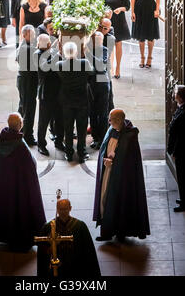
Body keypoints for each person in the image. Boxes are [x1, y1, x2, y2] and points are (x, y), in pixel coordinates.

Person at [0, 112, 46, 252]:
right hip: (21, 185)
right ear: (20, 125)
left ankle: (6, 234)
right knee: (20, 207)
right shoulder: (19, 144)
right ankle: (20, 235)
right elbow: (29, 165)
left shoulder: (3, 139)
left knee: (7, 206)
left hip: (4, 183)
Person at [93, 109, 150, 241]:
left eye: (111, 119)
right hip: (109, 172)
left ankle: (120, 231)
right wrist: (105, 159)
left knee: (121, 201)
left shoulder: (130, 135)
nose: (109, 121)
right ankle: (107, 231)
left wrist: (113, 162)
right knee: (105, 199)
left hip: (123, 178)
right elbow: (105, 148)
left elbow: (129, 160)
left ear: (119, 120)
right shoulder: (111, 129)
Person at [37, 199, 101, 277]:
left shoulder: (80, 226)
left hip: (76, 264)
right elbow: (42, 251)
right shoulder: (48, 227)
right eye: (60, 209)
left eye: (65, 209)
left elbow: (88, 250)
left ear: (70, 208)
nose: (63, 212)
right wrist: (50, 248)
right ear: (57, 210)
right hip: (57, 265)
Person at [56, 42, 94, 163]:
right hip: (82, 99)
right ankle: (82, 152)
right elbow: (92, 73)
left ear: (64, 53)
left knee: (68, 127)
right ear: (77, 52)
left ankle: (69, 153)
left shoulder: (60, 65)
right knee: (82, 128)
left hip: (67, 100)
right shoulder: (84, 63)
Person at [35, 34, 66, 156]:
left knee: (59, 119)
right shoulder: (37, 54)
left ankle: (59, 141)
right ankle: (41, 144)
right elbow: (46, 68)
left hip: (58, 92)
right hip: (46, 93)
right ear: (47, 44)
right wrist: (57, 54)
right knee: (43, 121)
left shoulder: (52, 52)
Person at [167, 85, 185, 212]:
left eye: (176, 93)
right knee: (183, 176)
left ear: (181, 97)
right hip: (182, 150)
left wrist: (174, 151)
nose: (174, 94)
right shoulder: (182, 108)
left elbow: (181, 136)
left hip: (184, 151)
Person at [131, 0, 160, 68]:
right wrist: (132, 12)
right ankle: (142, 57)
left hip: (150, 8)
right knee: (141, 36)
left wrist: (157, 10)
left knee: (151, 35)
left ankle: (149, 58)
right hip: (139, 9)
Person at [102, 0, 131, 79]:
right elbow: (102, 3)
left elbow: (127, 6)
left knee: (118, 44)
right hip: (108, 20)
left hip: (119, 21)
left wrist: (120, 9)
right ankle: (110, 68)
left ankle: (118, 68)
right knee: (109, 44)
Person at [86, 32, 111, 151]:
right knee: (92, 112)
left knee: (102, 113)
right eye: (94, 40)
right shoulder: (88, 50)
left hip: (102, 85)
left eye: (98, 40)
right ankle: (95, 137)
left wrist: (89, 54)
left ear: (101, 41)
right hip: (91, 85)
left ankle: (102, 139)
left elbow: (101, 65)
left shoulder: (104, 50)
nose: (96, 42)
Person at [16, 25, 38, 146]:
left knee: (23, 106)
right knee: (29, 109)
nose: (34, 36)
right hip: (27, 81)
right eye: (31, 34)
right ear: (24, 35)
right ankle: (28, 136)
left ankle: (20, 130)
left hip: (25, 80)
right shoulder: (26, 48)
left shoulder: (25, 45)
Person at [97, 18, 115, 111]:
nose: (102, 30)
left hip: (104, 71)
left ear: (109, 29)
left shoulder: (110, 39)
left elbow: (104, 57)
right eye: (100, 27)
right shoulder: (95, 35)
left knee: (108, 98)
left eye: (105, 28)